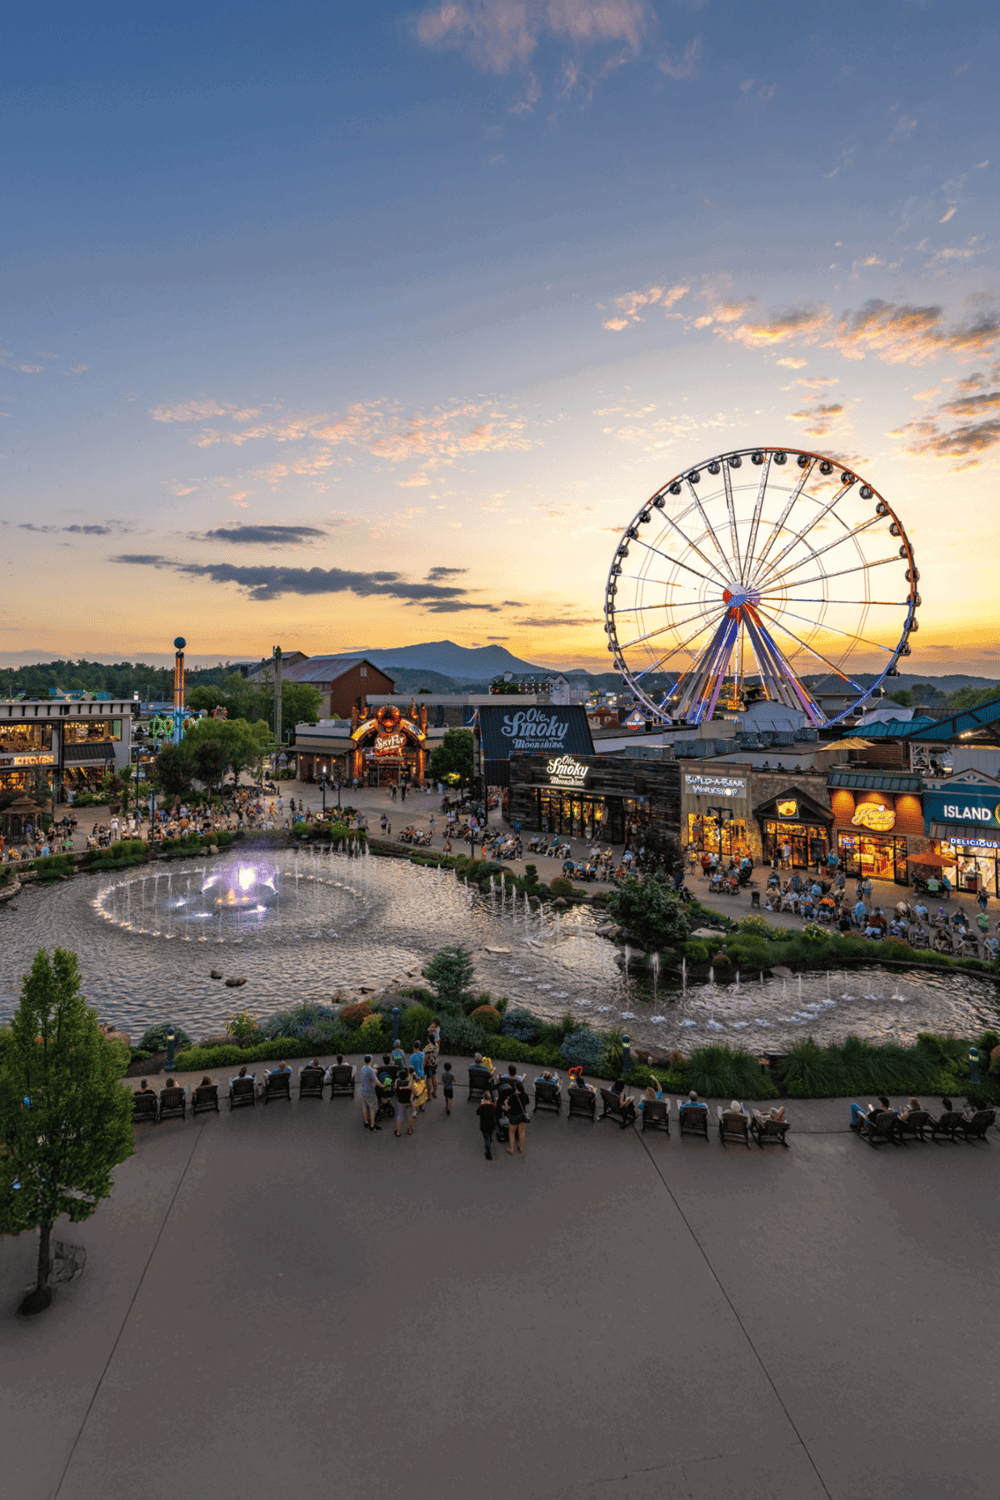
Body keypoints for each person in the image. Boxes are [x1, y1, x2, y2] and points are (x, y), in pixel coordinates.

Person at [502, 1068, 529, 1155]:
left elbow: (508, 1108)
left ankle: (512, 1149)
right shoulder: (525, 1095)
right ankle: (521, 1147)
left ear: (516, 1088)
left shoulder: (513, 1096)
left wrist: (505, 1102)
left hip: (514, 1116)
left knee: (512, 1132)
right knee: (522, 1131)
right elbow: (527, 1104)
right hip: (522, 1115)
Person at [360, 1054, 380, 1131]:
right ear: (370, 1060)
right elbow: (376, 1081)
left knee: (364, 1106)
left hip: (363, 1091)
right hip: (370, 1093)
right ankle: (372, 1125)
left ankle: (366, 1122)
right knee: (372, 1108)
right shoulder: (371, 1070)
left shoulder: (363, 1068)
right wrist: (382, 1086)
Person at [477, 1090, 497, 1159]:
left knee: (486, 1138)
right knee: (490, 1135)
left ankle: (488, 1152)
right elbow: (497, 1112)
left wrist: (481, 1104)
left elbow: (478, 1112)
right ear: (490, 1098)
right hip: (491, 1124)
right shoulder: (493, 1106)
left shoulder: (482, 1106)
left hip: (484, 1125)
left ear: (484, 1099)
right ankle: (490, 1142)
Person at [394, 1067, 414, 1136]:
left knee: (400, 1116)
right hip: (409, 1101)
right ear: (406, 1076)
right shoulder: (409, 1083)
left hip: (401, 1102)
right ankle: (410, 1130)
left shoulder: (397, 1082)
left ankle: (398, 1132)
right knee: (410, 1115)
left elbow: (395, 1088)